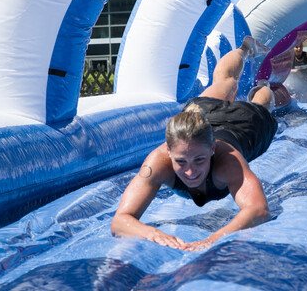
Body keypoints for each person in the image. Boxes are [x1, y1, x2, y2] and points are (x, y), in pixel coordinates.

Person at [111, 36, 287, 251]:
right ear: (168, 151)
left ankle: (263, 85)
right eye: (181, 161)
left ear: (212, 149)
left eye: (199, 160)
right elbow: (120, 221)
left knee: (261, 104)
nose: (191, 171)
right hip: (200, 114)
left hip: (244, 123)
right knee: (226, 81)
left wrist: (211, 240)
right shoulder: (158, 162)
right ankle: (245, 49)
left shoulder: (228, 160)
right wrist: (153, 233)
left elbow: (259, 210)